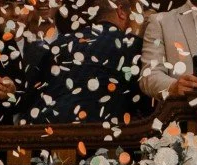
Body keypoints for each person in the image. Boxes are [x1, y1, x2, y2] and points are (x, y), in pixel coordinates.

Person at [19, 0, 150, 126]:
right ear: (121, 11)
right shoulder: (132, 46)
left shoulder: (62, 42)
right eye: (138, 16)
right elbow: (145, 104)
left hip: (38, 130)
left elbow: (31, 96)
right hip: (91, 135)